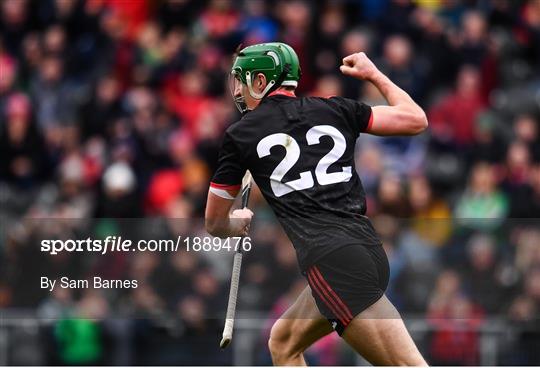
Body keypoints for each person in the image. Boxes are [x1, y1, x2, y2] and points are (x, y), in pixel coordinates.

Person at [205, 42, 428, 366]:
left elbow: (213, 223)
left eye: (243, 79)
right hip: (367, 252)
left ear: (261, 82)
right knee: (283, 342)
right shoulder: (334, 108)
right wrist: (374, 74)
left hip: (333, 264)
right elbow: (415, 118)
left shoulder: (242, 135)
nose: (237, 89)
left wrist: (236, 223)